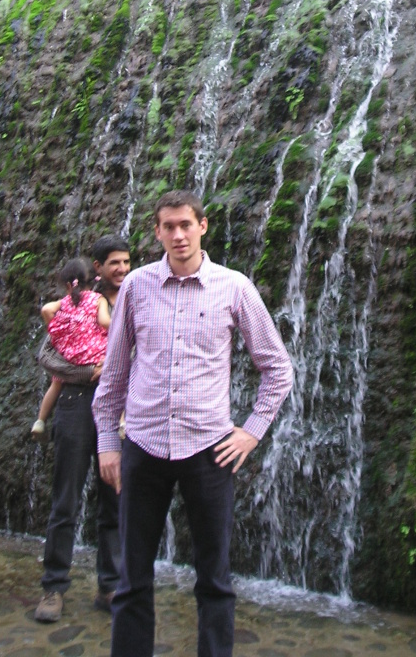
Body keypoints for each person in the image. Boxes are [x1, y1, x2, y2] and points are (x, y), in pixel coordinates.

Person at [93, 190, 293, 657]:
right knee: (132, 578)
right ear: (157, 232)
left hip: (209, 450)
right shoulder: (137, 286)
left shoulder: (234, 287)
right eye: (169, 226)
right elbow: (115, 370)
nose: (178, 234)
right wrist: (107, 442)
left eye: (186, 224)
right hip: (143, 446)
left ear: (203, 226)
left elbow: (278, 367)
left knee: (215, 579)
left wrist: (252, 431)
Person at [35, 235, 131, 623]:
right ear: (97, 268)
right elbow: (47, 355)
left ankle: (110, 586)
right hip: (76, 402)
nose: (121, 269)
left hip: (121, 408)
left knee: (114, 500)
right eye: (114, 263)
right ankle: (53, 587)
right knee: (66, 499)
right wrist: (88, 371)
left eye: (126, 262)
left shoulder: (137, 299)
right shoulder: (78, 302)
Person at [32, 257, 111, 440]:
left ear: (69, 285)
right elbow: (104, 321)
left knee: (56, 383)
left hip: (68, 355)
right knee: (111, 379)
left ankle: (40, 421)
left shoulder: (65, 302)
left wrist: (59, 331)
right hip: (91, 355)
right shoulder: (97, 299)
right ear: (94, 280)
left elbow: (46, 309)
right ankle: (122, 422)